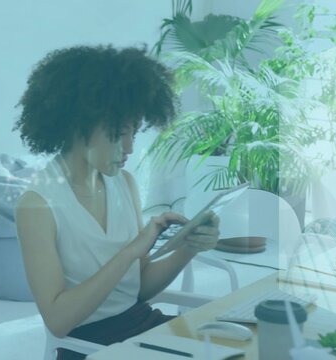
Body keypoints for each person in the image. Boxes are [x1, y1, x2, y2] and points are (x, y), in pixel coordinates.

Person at [13, 45, 221, 360]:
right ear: (77, 126)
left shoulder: (124, 184)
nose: (129, 148)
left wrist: (189, 246)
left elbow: (136, 291)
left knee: (241, 345)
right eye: (118, 135)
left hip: (141, 326)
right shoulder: (37, 205)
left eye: (134, 134)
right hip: (88, 346)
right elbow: (58, 321)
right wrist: (129, 253)